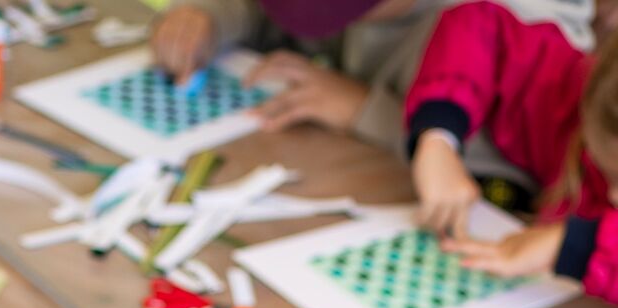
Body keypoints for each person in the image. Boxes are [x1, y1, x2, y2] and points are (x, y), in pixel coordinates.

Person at [152, 0, 592, 180]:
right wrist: (211, 17)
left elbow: (535, 169)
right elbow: (277, 15)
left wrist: (365, 110)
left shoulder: (523, 22)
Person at [407, 2, 618, 294]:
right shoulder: (578, 98)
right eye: (608, 168)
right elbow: (480, 26)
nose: (613, 194)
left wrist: (581, 245)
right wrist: (439, 136)